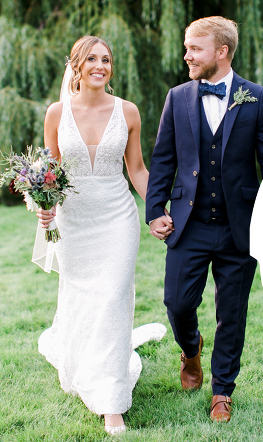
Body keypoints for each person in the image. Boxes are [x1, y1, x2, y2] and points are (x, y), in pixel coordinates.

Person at [145, 16, 263, 422]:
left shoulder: (256, 98)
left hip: (241, 226)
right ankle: (190, 350)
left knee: (232, 313)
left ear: (221, 52)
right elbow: (163, 158)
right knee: (177, 302)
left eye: (195, 48)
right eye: (187, 47)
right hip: (189, 223)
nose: (187, 55)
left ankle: (223, 391)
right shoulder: (178, 97)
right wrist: (155, 210)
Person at [37, 36, 167, 436]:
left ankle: (111, 402)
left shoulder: (127, 111)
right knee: (83, 298)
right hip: (76, 222)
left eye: (106, 59)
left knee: (112, 297)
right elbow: (49, 174)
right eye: (91, 58)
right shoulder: (56, 113)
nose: (100, 65)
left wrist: (158, 211)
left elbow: (138, 170)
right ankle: (85, 367)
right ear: (76, 64)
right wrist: (45, 204)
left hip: (116, 218)